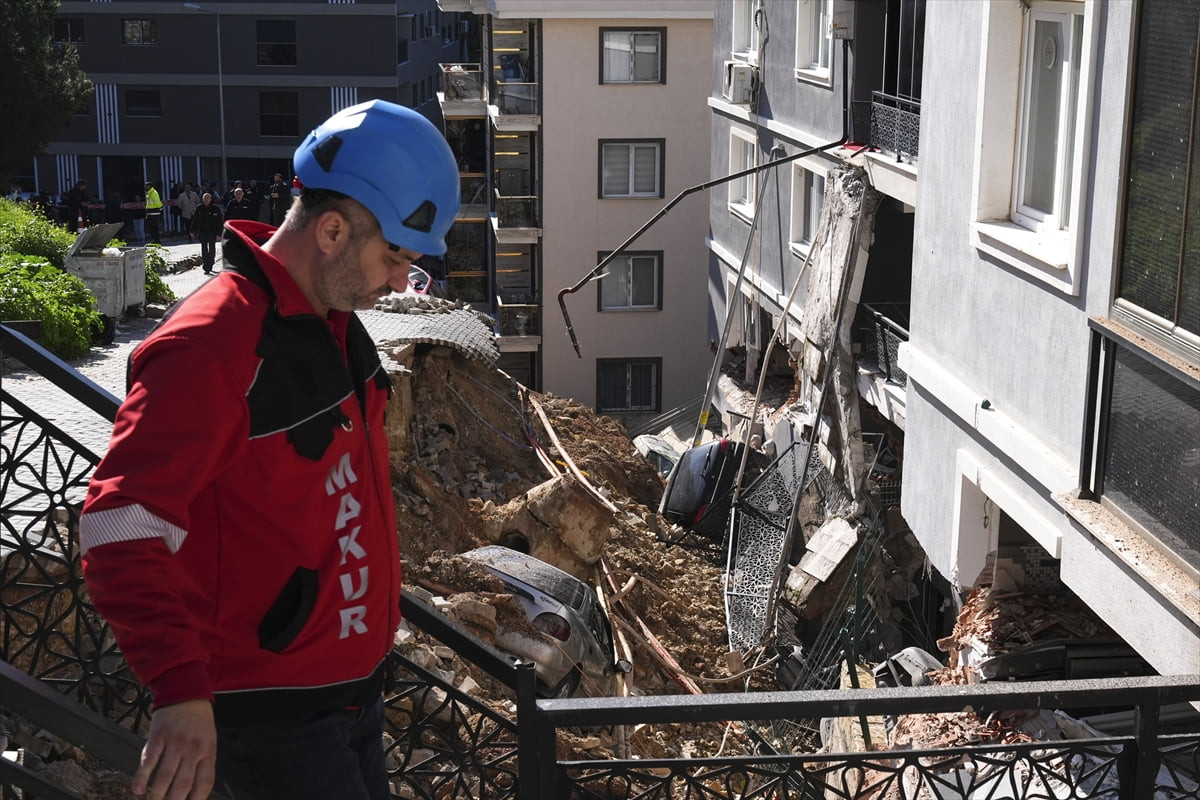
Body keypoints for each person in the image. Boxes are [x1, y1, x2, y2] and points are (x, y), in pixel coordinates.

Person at [78, 99, 459, 800]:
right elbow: (117, 528)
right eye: (394, 255)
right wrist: (179, 689)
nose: (402, 279)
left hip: (345, 700)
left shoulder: (332, 324)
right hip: (270, 724)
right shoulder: (211, 346)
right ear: (334, 229)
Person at [191, 192, 224, 274]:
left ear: (211, 199)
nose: (206, 200)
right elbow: (195, 220)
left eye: (207, 198)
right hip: (202, 232)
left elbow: (220, 222)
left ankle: (211, 262)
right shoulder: (199, 208)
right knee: (204, 248)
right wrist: (192, 231)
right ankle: (206, 266)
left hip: (213, 232)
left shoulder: (215, 208)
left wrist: (219, 234)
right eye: (204, 198)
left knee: (212, 248)